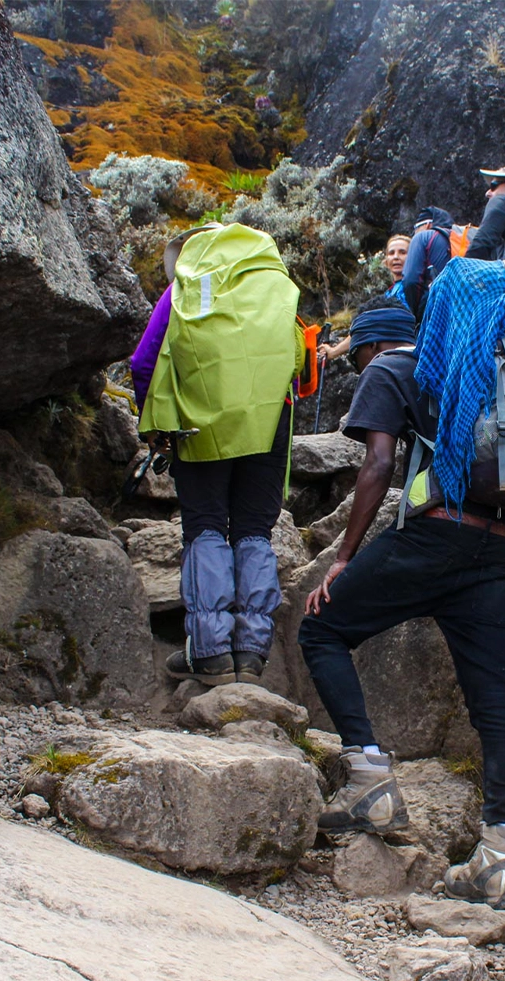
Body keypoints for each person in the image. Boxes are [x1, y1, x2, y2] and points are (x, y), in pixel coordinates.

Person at [297, 298, 505, 910]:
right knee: (493, 697)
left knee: (322, 629)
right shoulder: (484, 365)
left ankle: (370, 781)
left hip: (436, 535)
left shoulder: (388, 366)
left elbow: (378, 463)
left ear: (372, 345)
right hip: (500, 547)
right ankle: (502, 854)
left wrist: (343, 557)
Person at [136, 223, 300, 687]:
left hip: (200, 418)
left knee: (206, 525)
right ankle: (250, 653)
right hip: (271, 420)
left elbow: (144, 360)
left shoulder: (185, 289)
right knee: (254, 531)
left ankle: (209, 654)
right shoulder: (269, 287)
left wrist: (157, 425)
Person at [319, 234, 411, 362]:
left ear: (413, 257)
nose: (396, 257)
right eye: (391, 253)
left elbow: (367, 326)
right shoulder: (390, 293)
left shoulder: (413, 288)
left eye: (402, 252)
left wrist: (334, 351)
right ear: (385, 261)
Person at [402, 206, 456, 320]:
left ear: (427, 225)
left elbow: (411, 280)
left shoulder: (423, 237)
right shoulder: (459, 240)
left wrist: (415, 315)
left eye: (415, 228)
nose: (414, 233)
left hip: (433, 311)